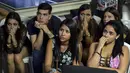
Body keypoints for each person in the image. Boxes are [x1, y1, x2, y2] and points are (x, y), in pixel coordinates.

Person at [27, 3, 61, 73]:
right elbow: (36, 47)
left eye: (44, 14)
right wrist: (41, 30)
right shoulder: (31, 23)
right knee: (36, 54)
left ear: (49, 16)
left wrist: (47, 30)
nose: (41, 17)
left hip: (54, 45)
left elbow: (58, 42)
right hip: (41, 46)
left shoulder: (56, 22)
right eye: (39, 14)